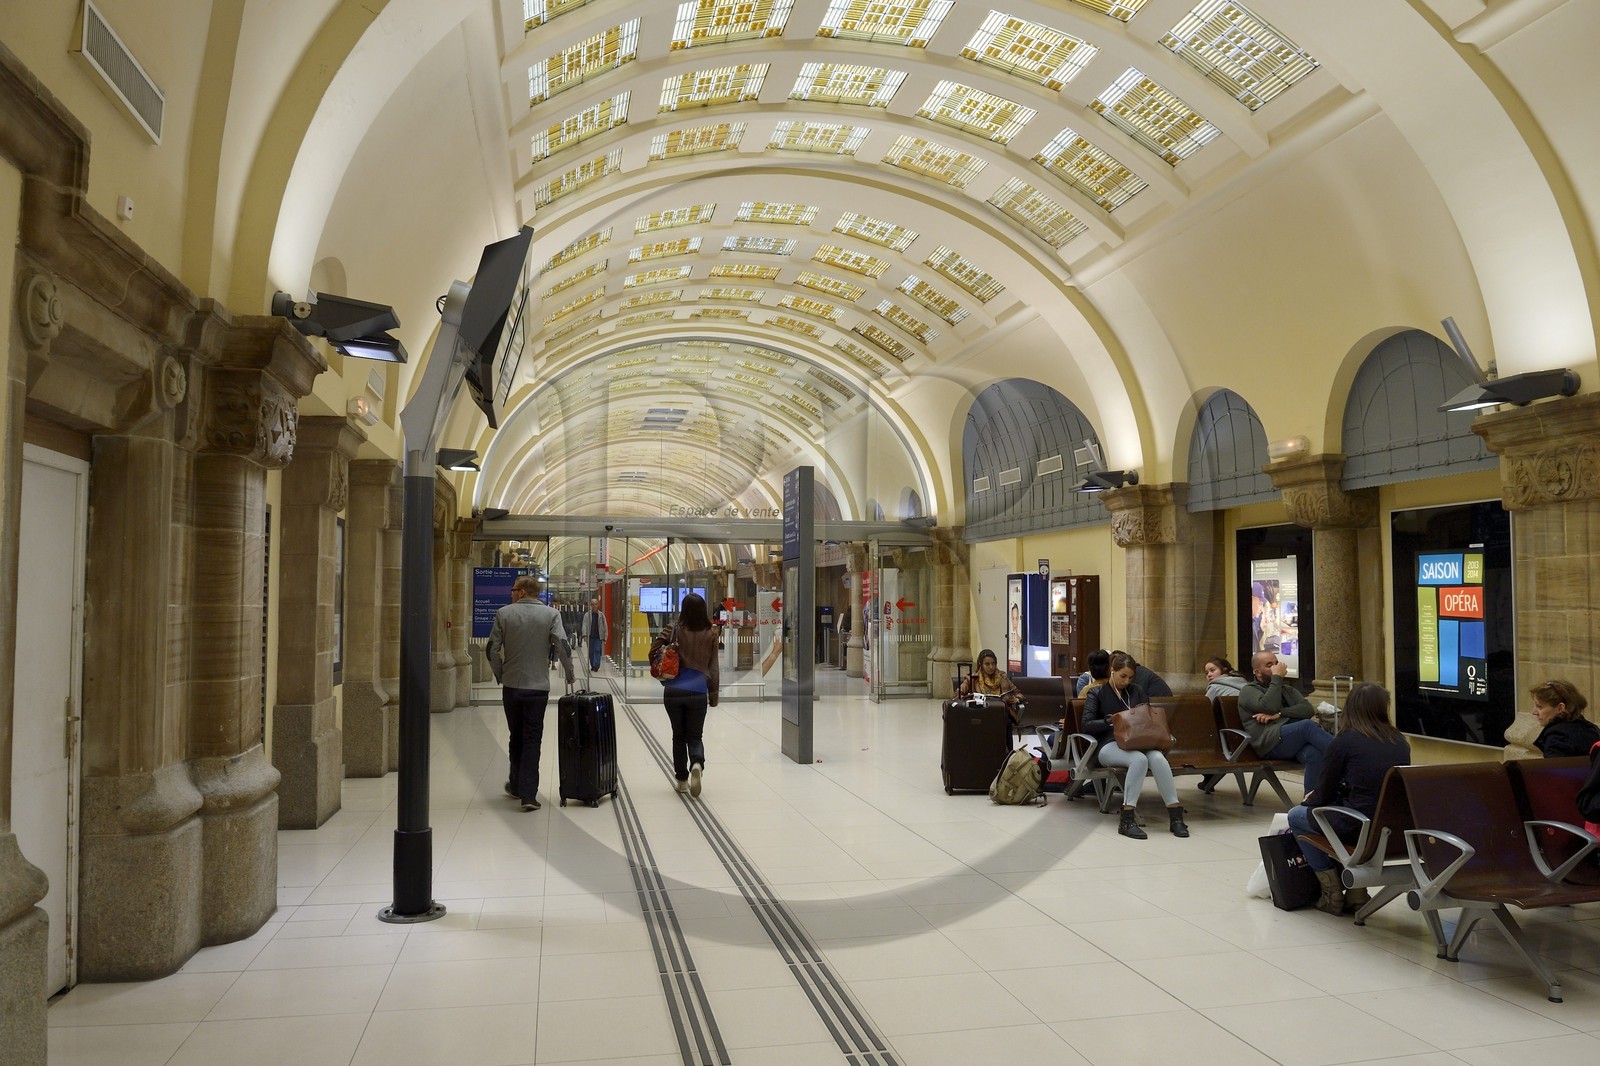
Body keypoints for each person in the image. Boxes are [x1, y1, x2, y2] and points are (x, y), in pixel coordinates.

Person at [1287, 683, 1410, 915]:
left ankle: (1331, 891)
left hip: (1358, 828)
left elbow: (1322, 795)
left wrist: (1310, 799)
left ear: (1351, 707)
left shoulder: (1344, 741)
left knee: (1297, 817)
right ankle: (1357, 893)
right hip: (1391, 830)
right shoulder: (1400, 741)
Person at [485, 575, 574, 811]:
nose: (511, 593)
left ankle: (515, 784)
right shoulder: (551, 615)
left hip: (512, 687)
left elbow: (492, 649)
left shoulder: (504, 614)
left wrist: (500, 674)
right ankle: (528, 794)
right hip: (537, 689)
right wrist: (570, 673)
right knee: (533, 737)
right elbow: (562, 646)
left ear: (523, 592)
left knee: (516, 735)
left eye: (513, 589)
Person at [1080, 651, 1190, 839]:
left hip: (1137, 741)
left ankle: (1175, 814)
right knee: (1138, 760)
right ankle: (1127, 817)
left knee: (1157, 758)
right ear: (1112, 671)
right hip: (1108, 745)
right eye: (1123, 676)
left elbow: (1147, 718)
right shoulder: (1097, 693)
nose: (1126, 681)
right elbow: (1086, 724)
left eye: (1130, 677)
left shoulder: (1136, 691)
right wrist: (1110, 721)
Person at [651, 592, 720, 796]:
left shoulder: (673, 629)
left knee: (678, 736)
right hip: (698, 689)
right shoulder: (711, 634)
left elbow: (652, 651)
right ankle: (697, 763)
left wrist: (665, 665)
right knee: (695, 735)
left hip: (674, 689)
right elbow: (714, 667)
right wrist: (713, 693)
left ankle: (681, 780)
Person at [1238, 650, 1331, 794]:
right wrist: (1276, 678)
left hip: (1289, 740)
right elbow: (1269, 706)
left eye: (1276, 663)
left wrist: (1280, 714)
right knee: (1307, 726)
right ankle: (1349, 755)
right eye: (1269, 665)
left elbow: (1307, 710)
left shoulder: (1286, 689)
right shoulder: (1248, 691)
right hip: (1269, 743)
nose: (1276, 668)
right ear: (1257, 672)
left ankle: (1311, 802)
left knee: (1313, 754)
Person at [1530, 679, 1598, 757]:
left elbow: (1554, 768)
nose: (1534, 712)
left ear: (1560, 708)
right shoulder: (1589, 727)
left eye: (1539, 706)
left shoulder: (1557, 737)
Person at [958, 648, 1020, 719]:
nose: (991, 667)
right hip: (980, 712)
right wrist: (969, 701)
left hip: (1001, 711)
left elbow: (1017, 692)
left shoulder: (1003, 677)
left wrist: (1016, 699)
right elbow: (958, 694)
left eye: (993, 663)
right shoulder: (972, 678)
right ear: (981, 664)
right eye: (987, 664)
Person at [579, 597, 608, 675]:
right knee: (591, 652)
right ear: (590, 605)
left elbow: (605, 626)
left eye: (596, 604)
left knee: (597, 650)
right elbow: (584, 625)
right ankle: (593, 664)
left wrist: (605, 636)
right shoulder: (587, 615)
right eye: (593, 604)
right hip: (590, 636)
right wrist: (584, 634)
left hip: (599, 636)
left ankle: (596, 665)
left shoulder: (601, 615)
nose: (594, 606)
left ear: (598, 605)